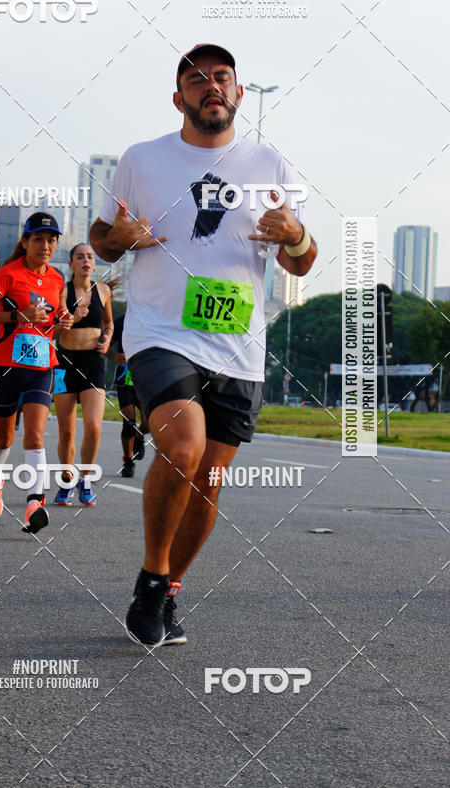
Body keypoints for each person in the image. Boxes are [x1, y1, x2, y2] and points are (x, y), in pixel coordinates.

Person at [90, 43, 317, 647]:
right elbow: (102, 238)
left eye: (222, 78)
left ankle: (163, 587)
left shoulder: (271, 164)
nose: (210, 86)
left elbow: (302, 262)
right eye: (196, 79)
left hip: (238, 344)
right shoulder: (142, 160)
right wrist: (119, 238)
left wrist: (295, 234)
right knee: (182, 446)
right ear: (179, 97)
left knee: (210, 479)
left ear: (239, 93)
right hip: (161, 332)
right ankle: (153, 577)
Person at [0, 212, 75, 533]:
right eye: (39, 239)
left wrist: (65, 321)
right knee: (3, 437)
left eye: (51, 240)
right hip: (6, 365)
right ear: (25, 242)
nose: (45, 245)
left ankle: (35, 502)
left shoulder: (58, 279)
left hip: (42, 367)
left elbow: (55, 325)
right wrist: (18, 315)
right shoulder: (8, 274)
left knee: (34, 435)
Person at [52, 244, 114, 506]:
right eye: (80, 257)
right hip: (65, 362)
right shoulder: (61, 291)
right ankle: (67, 480)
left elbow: (108, 322)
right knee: (66, 432)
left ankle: (85, 478)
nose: (86, 260)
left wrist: (108, 338)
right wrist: (73, 319)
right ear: (71, 264)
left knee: (94, 427)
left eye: (90, 256)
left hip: (93, 362)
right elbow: (52, 332)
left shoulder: (103, 291)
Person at [109, 314, 148, 477]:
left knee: (151, 422)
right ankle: (128, 461)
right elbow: (105, 346)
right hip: (125, 377)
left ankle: (139, 436)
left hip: (147, 377)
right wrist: (114, 356)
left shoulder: (155, 318)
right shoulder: (121, 321)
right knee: (128, 422)